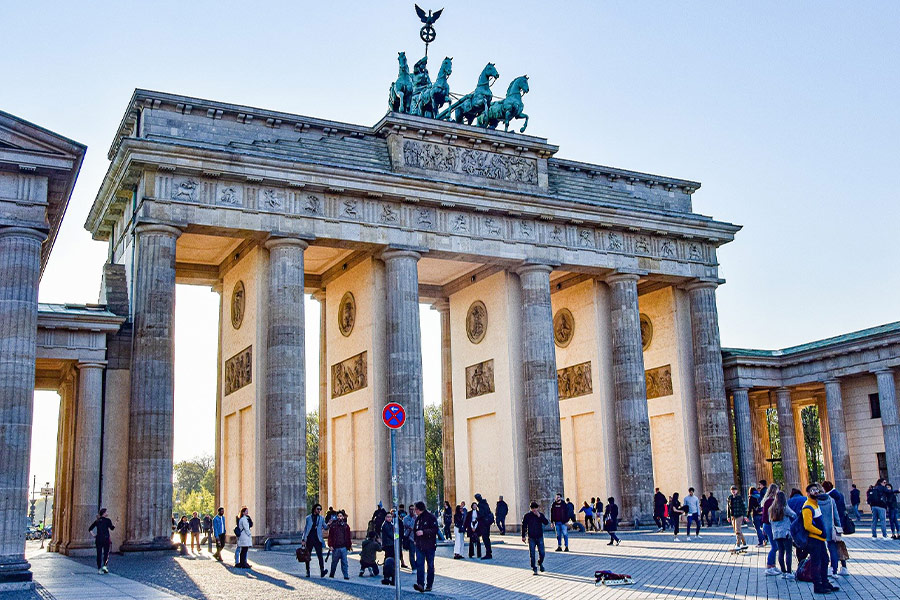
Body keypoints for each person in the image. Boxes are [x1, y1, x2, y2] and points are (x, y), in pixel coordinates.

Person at [802, 483, 839, 594]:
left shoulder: (816, 504)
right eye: (813, 490)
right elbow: (807, 525)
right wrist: (820, 532)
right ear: (808, 493)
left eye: (817, 490)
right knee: (816, 562)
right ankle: (818, 586)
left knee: (824, 560)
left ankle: (825, 582)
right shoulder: (808, 506)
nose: (816, 492)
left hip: (820, 539)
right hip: (814, 539)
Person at [818, 481, 848, 578]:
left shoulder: (814, 501)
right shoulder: (831, 500)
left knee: (821, 550)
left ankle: (823, 569)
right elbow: (836, 516)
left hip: (818, 529)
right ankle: (834, 570)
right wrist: (839, 528)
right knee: (833, 550)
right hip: (831, 529)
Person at [413, 501, 439, 593]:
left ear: (419, 509)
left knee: (430, 566)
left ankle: (429, 585)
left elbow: (435, 530)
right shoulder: (418, 519)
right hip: (419, 546)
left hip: (429, 545)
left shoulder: (431, 517)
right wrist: (415, 540)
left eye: (415, 509)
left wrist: (424, 532)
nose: (414, 511)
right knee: (419, 565)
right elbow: (415, 530)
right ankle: (420, 584)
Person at [768, 491, 796, 579]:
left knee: (780, 552)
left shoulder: (771, 509)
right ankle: (789, 571)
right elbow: (794, 514)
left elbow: (770, 521)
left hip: (776, 533)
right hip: (786, 532)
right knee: (788, 552)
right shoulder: (784, 507)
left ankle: (783, 571)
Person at [301, 503, 327, 578]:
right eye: (318, 509)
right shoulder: (308, 518)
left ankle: (322, 571)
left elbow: (325, 527)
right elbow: (305, 529)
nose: (319, 510)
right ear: (314, 509)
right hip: (309, 538)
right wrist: (303, 539)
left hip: (318, 539)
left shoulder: (321, 518)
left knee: (320, 556)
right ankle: (307, 571)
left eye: (320, 509)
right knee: (307, 556)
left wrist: (329, 524)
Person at [522, 501, 549, 575]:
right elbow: (524, 526)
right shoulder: (527, 516)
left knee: (542, 553)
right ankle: (534, 568)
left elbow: (546, 522)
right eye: (532, 508)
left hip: (539, 536)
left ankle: (540, 563)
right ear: (530, 508)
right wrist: (523, 536)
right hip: (531, 537)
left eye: (535, 508)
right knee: (532, 554)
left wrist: (539, 516)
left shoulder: (540, 515)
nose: (534, 510)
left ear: (537, 508)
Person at [761, 483, 780, 575]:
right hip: (770, 525)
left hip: (767, 525)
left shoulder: (767, 500)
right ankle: (769, 566)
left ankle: (773, 566)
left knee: (775, 546)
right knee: (774, 546)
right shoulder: (771, 501)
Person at [88, 508, 114, 574]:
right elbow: (112, 528)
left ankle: (99, 568)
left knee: (99, 553)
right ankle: (105, 566)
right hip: (105, 539)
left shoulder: (97, 521)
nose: (107, 513)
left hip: (98, 538)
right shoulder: (108, 520)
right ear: (104, 513)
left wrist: (94, 535)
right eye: (106, 512)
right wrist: (116, 522)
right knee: (106, 553)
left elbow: (90, 529)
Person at [327, 510, 352, 579]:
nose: (339, 517)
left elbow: (348, 537)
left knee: (344, 563)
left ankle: (346, 575)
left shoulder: (346, 526)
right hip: (336, 547)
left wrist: (349, 545)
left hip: (343, 547)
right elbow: (330, 537)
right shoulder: (333, 526)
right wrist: (330, 545)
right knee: (334, 563)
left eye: (340, 516)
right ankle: (332, 574)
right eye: (338, 516)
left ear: (343, 517)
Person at [475, 494, 493, 559]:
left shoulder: (480, 505)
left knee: (485, 538)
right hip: (487, 523)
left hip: (484, 523)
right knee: (487, 538)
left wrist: (477, 518)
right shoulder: (485, 503)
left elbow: (482, 514)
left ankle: (488, 553)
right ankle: (489, 552)